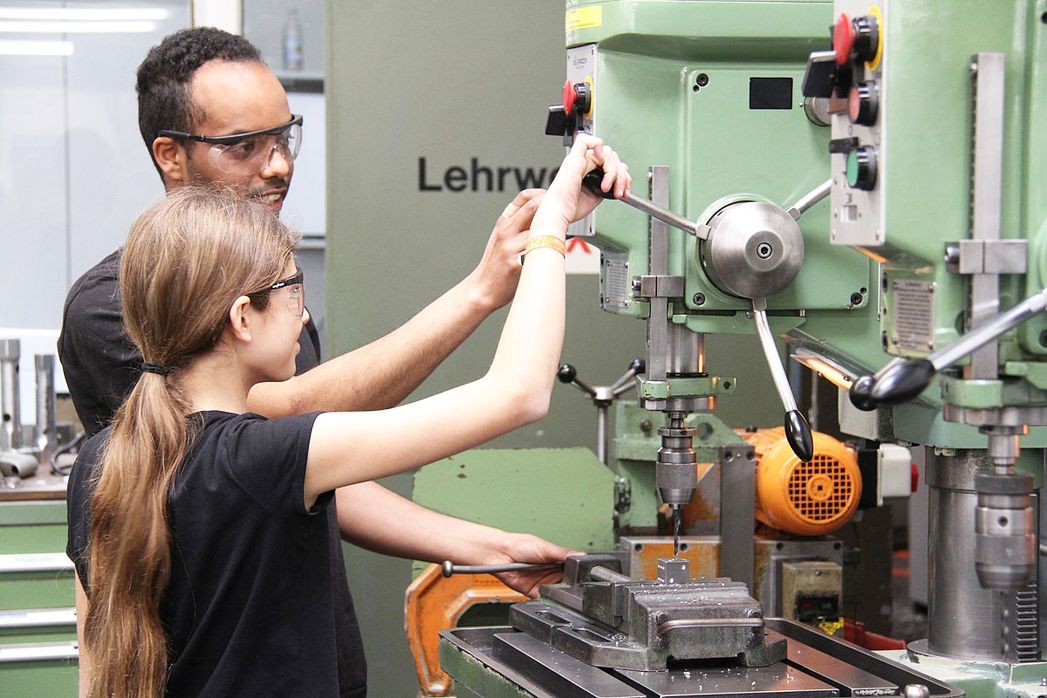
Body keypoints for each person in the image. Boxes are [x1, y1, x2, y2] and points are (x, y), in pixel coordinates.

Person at [58, 28, 629, 696]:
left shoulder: (97, 467)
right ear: (240, 319)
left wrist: (491, 549)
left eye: (283, 137)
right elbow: (515, 395)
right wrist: (551, 229)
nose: (277, 165)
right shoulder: (113, 315)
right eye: (291, 293)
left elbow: (304, 475)